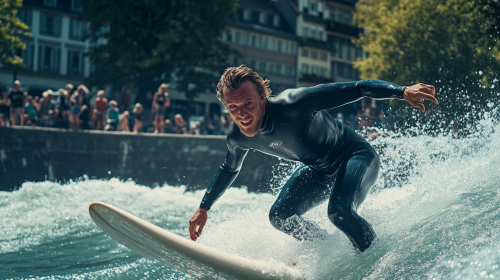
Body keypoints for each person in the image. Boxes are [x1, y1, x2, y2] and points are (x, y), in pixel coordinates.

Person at [188, 65, 438, 253]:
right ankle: (327, 250)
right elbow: (229, 168)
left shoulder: (296, 103)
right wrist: (204, 208)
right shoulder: (238, 138)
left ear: (262, 97)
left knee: (339, 211)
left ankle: (375, 257)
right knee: (280, 217)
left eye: (248, 103)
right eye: (233, 108)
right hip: (320, 170)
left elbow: (359, 88)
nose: (241, 114)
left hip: (356, 156)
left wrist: (402, 91)